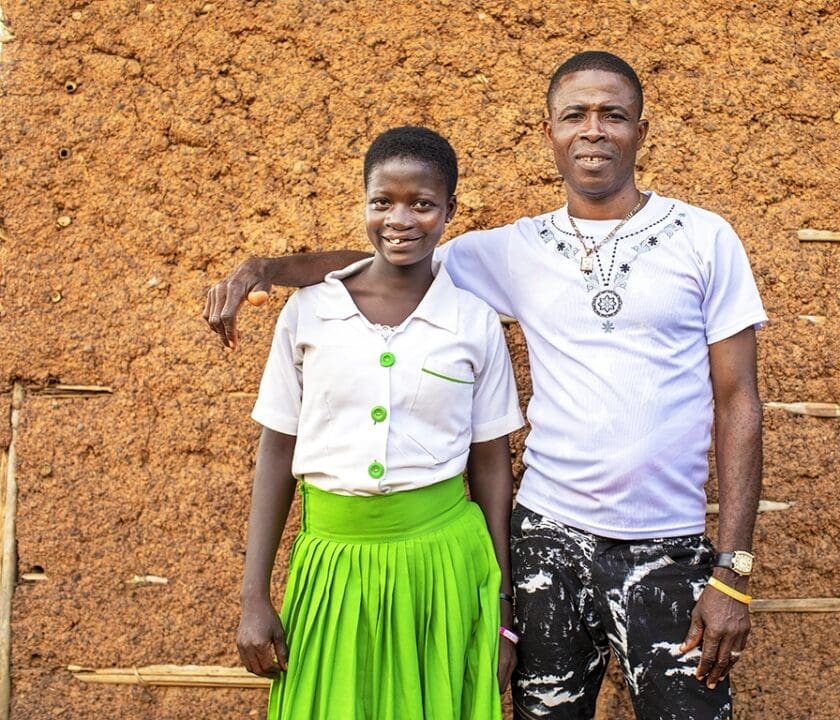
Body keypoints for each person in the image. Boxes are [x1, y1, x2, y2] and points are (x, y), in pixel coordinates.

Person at [210, 52, 766, 720]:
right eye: (575, 115)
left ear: (641, 131)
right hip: (548, 544)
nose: (594, 130)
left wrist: (732, 570)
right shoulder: (511, 249)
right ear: (549, 133)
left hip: (670, 549)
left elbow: (739, 402)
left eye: (612, 115)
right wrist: (266, 269)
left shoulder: (704, 239)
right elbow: (384, 261)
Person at [234, 126, 524, 720]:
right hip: (333, 567)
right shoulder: (309, 313)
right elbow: (275, 451)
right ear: (363, 202)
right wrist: (253, 596)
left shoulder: (472, 322)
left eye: (422, 204)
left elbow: (492, 464)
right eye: (382, 202)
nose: (401, 219)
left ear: (449, 211)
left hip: (443, 567)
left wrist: (501, 608)